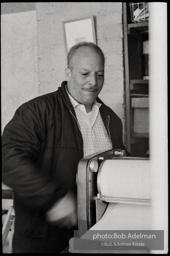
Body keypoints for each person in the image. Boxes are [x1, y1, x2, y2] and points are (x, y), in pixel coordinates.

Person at [2, 42, 127, 253]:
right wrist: (54, 198)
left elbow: (118, 170)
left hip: (95, 234)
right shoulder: (36, 111)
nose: (93, 82)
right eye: (85, 73)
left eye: (100, 74)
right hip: (42, 240)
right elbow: (8, 158)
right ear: (68, 72)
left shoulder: (111, 120)